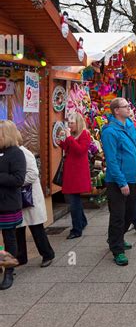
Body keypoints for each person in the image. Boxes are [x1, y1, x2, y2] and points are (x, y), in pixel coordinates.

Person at [101, 98, 136, 266]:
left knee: (129, 213)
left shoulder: (130, 125)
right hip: (118, 181)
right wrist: (122, 182)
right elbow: (111, 160)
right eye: (126, 106)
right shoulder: (110, 132)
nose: (129, 108)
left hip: (132, 178)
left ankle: (116, 237)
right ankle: (117, 249)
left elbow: (134, 150)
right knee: (118, 215)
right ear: (116, 111)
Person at [16, 131, 55, 268]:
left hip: (29, 196)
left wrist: (14, 181)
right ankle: (21, 257)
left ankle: (47, 254)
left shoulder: (24, 152)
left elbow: (33, 174)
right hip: (18, 197)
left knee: (36, 227)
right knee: (18, 228)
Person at [0, 120, 26, 289]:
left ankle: (9, 272)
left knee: (9, 238)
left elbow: (18, 180)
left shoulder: (16, 153)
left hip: (8, 204)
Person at [59, 112, 92, 240]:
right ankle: (82, 222)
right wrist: (61, 141)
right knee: (75, 200)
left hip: (78, 172)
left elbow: (80, 151)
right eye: (69, 123)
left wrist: (69, 138)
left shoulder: (84, 134)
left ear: (78, 123)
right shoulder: (72, 135)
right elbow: (68, 148)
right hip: (71, 171)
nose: (70, 125)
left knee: (73, 201)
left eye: (72, 123)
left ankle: (76, 229)